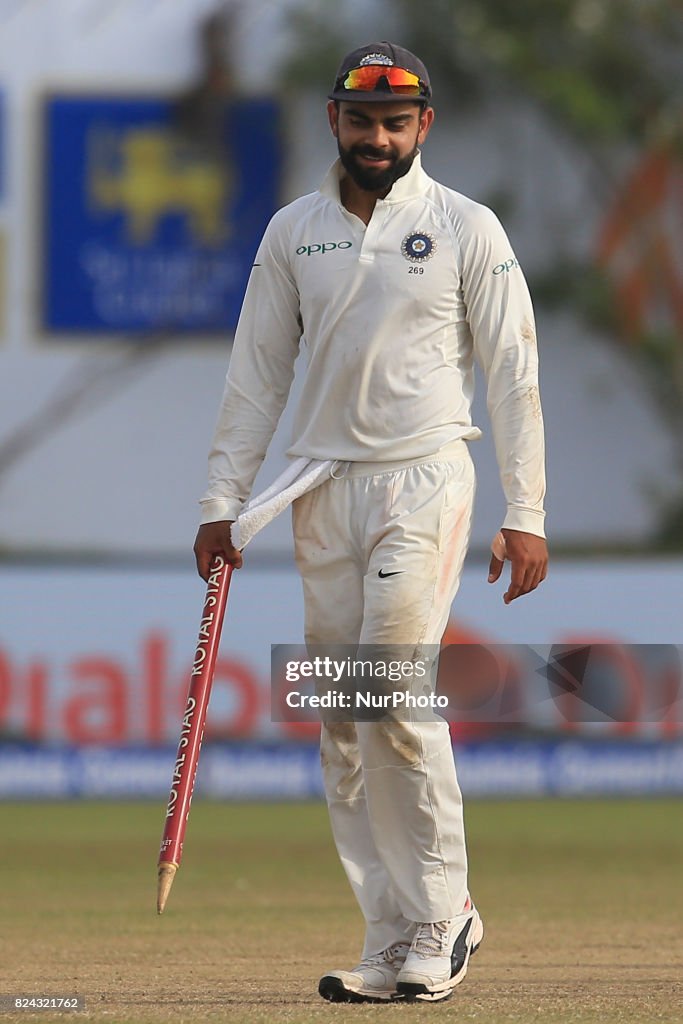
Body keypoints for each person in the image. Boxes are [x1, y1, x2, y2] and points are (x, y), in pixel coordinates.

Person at [194, 41, 548, 1004]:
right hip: (321, 490)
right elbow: (256, 374)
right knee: (344, 724)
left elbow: (512, 372)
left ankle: (446, 916)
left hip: (423, 481)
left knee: (392, 694)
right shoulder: (293, 231)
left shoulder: (466, 227)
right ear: (334, 122)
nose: (379, 137)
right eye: (362, 120)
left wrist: (526, 511)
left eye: (396, 122)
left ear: (423, 126)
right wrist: (223, 502)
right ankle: (391, 935)